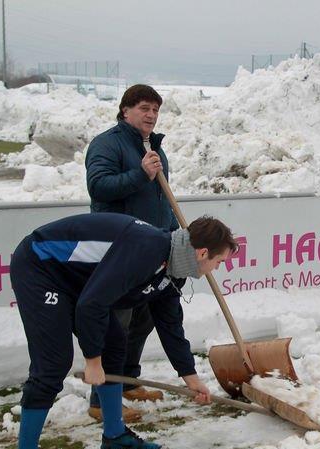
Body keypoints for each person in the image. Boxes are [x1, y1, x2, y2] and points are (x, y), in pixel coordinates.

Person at [11, 213, 237, 449]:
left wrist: (190, 377)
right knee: (53, 363)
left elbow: (170, 325)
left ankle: (114, 438)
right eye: (218, 262)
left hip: (77, 279)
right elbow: (92, 305)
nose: (216, 268)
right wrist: (93, 361)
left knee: (114, 344)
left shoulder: (172, 271)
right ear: (202, 253)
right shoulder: (146, 249)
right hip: (41, 265)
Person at [85, 84, 177, 422]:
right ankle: (100, 399)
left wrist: (169, 236)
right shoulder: (107, 144)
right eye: (143, 108)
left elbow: (160, 199)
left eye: (155, 109)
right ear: (125, 111)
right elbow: (99, 186)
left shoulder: (154, 147)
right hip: (117, 248)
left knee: (144, 317)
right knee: (116, 323)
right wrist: (140, 174)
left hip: (152, 248)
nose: (151, 115)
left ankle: (127, 380)